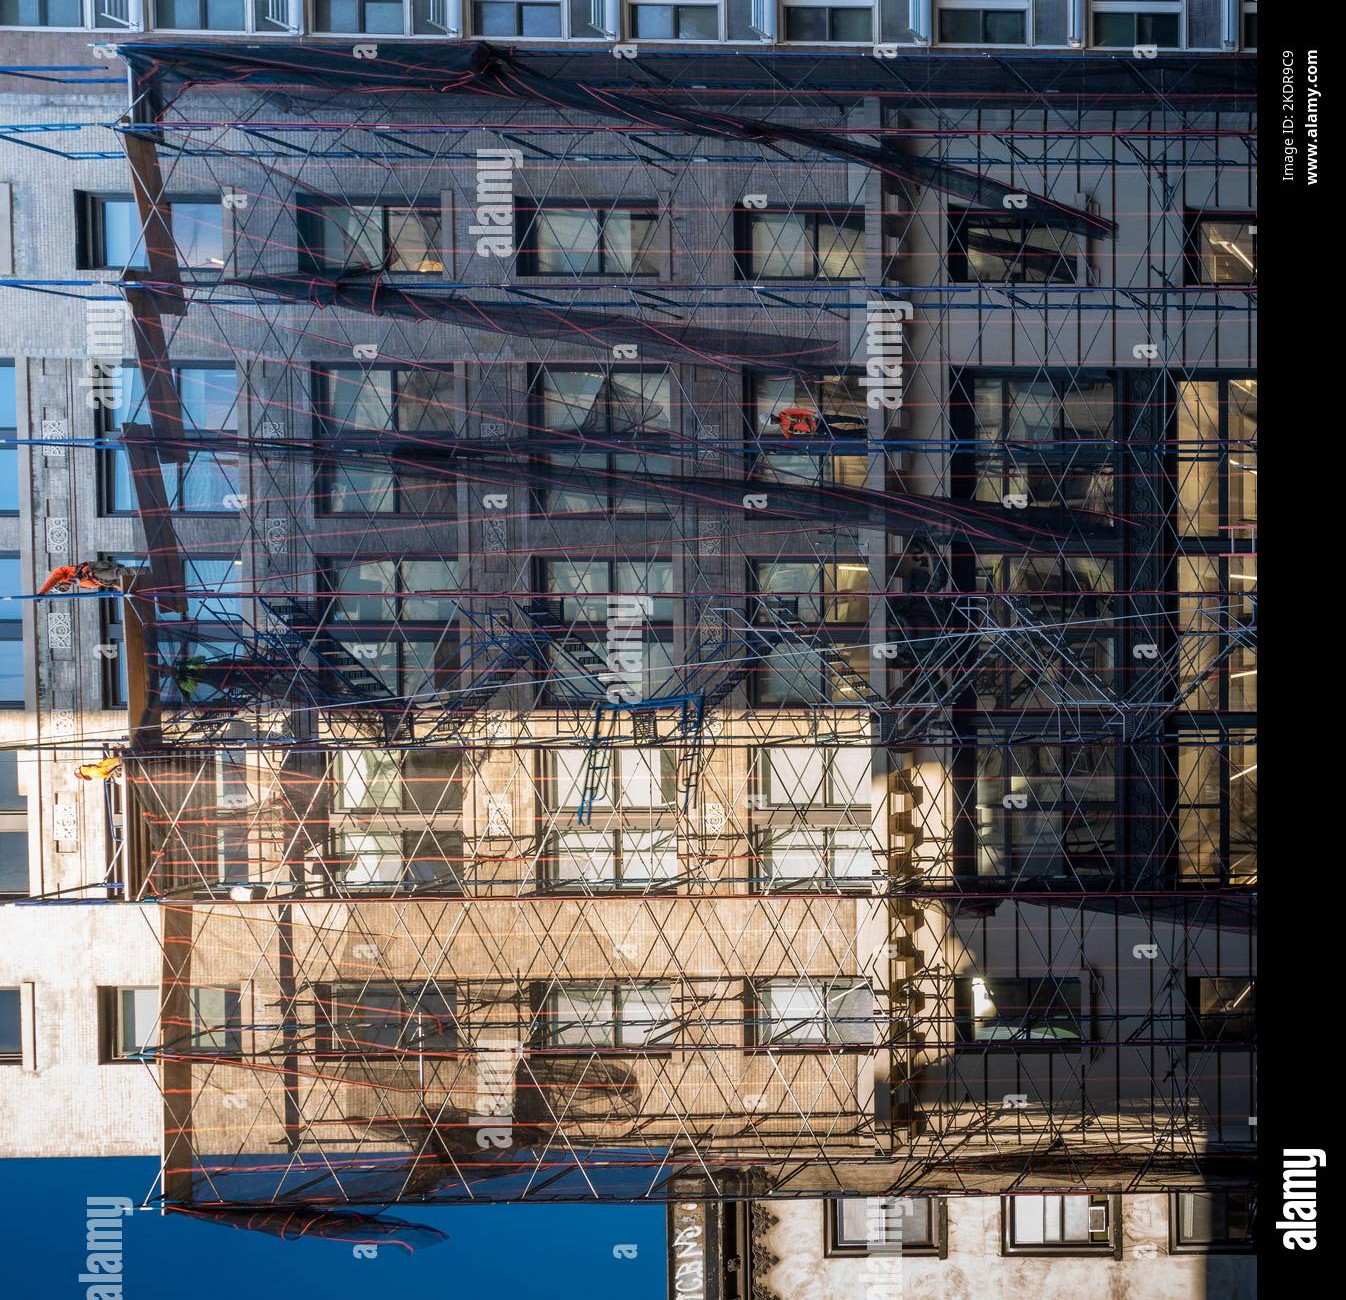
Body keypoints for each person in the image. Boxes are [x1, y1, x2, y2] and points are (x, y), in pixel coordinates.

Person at [37, 560, 138, 597]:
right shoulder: (80, 584)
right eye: (64, 591)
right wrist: (116, 586)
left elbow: (51, 580)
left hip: (95, 571)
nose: (66, 589)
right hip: (104, 579)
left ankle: (147, 571)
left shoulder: (63, 575)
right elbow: (101, 584)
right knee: (129, 583)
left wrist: (42, 592)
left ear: (58, 584)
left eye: (62, 588)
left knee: (121, 573)